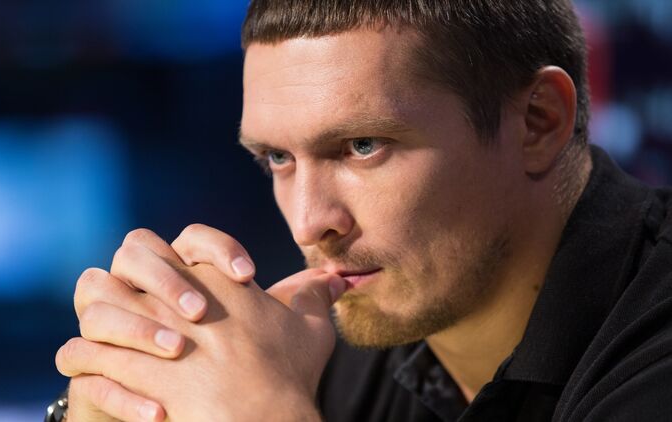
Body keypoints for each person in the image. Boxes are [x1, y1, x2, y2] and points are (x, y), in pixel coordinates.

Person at [48, 1, 672, 421]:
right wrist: (119, 401)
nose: (308, 223)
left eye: (363, 146)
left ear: (538, 122)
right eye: (277, 158)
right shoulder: (341, 345)